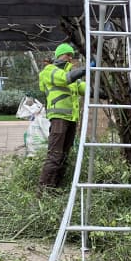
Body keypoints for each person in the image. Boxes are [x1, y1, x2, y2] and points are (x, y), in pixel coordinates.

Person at [38, 43, 87, 190]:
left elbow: (84, 88)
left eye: (72, 55)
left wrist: (105, 92)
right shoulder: (49, 71)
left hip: (71, 119)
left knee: (64, 156)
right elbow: (65, 79)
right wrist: (86, 68)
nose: (70, 58)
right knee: (55, 155)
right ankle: (43, 191)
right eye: (68, 54)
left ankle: (55, 188)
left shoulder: (71, 76)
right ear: (59, 55)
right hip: (59, 118)